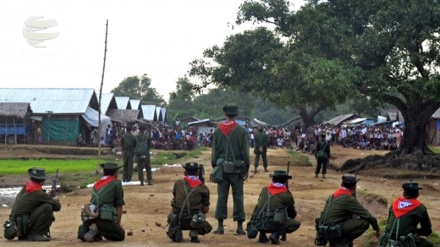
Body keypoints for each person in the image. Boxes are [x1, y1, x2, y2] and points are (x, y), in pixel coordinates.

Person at [211, 103, 250, 235]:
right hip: (237, 168)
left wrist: (215, 166)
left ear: (225, 114)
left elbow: (214, 153)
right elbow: (245, 152)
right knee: (238, 196)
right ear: (237, 115)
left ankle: (220, 226)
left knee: (222, 196)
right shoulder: (242, 131)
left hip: (221, 167)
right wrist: (247, 167)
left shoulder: (217, 130)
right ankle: (239, 227)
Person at [317, 174, 380, 247]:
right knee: (364, 223)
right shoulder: (348, 198)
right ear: (354, 187)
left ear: (341, 184)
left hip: (324, 229)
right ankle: (342, 242)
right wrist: (376, 228)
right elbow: (367, 216)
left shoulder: (332, 195)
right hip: (334, 229)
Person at [8, 167, 61, 241]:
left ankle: (26, 234)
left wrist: (47, 196)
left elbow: (33, 201)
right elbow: (57, 207)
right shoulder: (39, 193)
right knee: (47, 207)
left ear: (31, 178)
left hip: (16, 223)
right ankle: (35, 234)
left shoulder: (27, 187)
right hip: (23, 223)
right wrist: (55, 200)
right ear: (43, 180)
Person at [249, 170, 301, 244]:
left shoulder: (264, 189)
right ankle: (276, 235)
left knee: (264, 211)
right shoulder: (287, 194)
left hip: (259, 224)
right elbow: (292, 215)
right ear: (285, 181)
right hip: (273, 225)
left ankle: (262, 235)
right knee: (296, 223)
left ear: (273, 180)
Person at [79, 163, 125, 242]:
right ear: (115, 173)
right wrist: (117, 224)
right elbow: (119, 205)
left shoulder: (96, 184)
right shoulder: (116, 183)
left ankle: (93, 231)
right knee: (120, 235)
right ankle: (99, 230)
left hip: (92, 216)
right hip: (104, 218)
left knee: (82, 234)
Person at [167, 162, 212, 243]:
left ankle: (176, 230)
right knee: (208, 227)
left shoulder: (178, 183)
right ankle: (194, 232)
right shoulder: (203, 187)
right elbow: (205, 209)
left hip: (178, 219)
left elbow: (175, 197)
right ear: (198, 173)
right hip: (194, 221)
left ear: (185, 173)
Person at [380, 182, 433, 247]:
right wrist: (418, 232)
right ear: (417, 195)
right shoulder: (420, 208)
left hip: (388, 240)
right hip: (405, 242)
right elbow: (427, 231)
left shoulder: (394, 204)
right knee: (429, 244)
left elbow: (388, 221)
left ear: (404, 194)